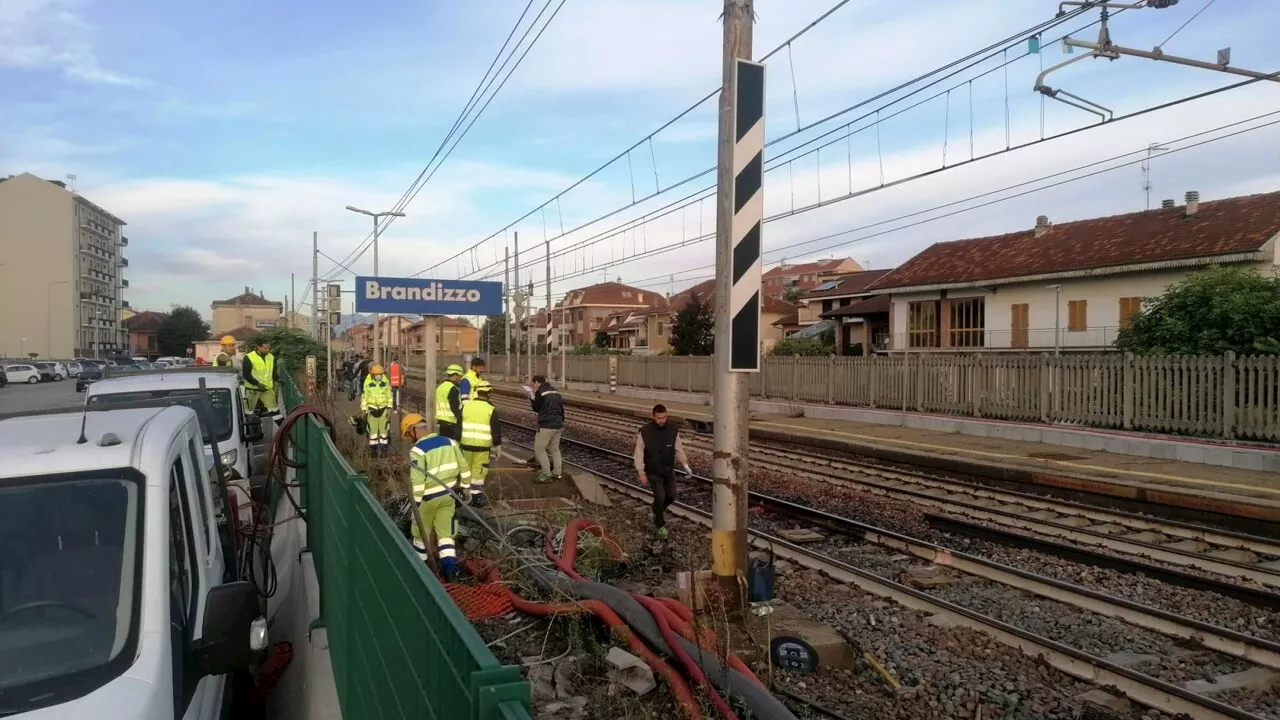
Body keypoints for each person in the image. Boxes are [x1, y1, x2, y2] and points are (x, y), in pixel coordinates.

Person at [401, 413, 471, 580]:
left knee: (420, 534)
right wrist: (466, 489)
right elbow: (464, 466)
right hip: (448, 496)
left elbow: (418, 483)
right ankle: (451, 572)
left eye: (408, 435)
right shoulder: (450, 442)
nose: (410, 439)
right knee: (445, 534)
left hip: (427, 500)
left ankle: (421, 571)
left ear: (413, 430)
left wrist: (415, 505)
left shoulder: (417, 451)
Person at [633, 404, 692, 539]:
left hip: (668, 470)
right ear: (653, 417)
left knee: (671, 496)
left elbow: (679, 449)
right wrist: (641, 472)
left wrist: (685, 464)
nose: (662, 420)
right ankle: (660, 524)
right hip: (653, 472)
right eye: (659, 418)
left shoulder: (673, 430)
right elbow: (638, 453)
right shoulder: (645, 432)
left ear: (667, 416)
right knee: (660, 497)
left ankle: (657, 510)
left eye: (664, 417)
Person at [459, 380, 502, 507]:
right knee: (478, 473)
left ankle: (464, 496)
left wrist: (456, 441)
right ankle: (476, 499)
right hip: (482, 448)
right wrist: (498, 446)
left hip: (465, 445)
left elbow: (458, 425)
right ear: (489, 393)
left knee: (465, 471)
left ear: (477, 392)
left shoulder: (466, 406)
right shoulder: (490, 409)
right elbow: (496, 430)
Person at [530, 374, 564, 483]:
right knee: (554, 448)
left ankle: (546, 473)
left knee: (539, 449)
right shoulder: (555, 391)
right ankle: (557, 473)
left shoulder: (540, 392)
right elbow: (561, 408)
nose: (533, 386)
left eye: (533, 384)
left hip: (546, 424)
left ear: (536, 382)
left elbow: (536, 408)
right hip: (558, 424)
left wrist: (532, 398)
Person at [241, 340, 280, 419]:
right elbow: (246, 374)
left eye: (269, 348)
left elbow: (273, 371)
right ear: (259, 347)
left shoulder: (271, 357)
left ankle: (285, 430)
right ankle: (249, 429)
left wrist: (278, 379)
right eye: (265, 348)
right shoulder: (249, 357)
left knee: (275, 411)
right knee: (248, 412)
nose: (268, 350)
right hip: (253, 389)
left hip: (266, 389)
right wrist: (257, 384)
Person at [361, 364, 394, 455]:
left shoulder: (385, 385)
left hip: (383, 410)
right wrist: (364, 410)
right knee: (373, 433)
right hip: (372, 410)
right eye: (377, 374)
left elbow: (390, 397)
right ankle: (373, 451)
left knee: (384, 433)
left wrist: (389, 409)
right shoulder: (368, 386)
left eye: (380, 374)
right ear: (373, 375)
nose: (379, 376)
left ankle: (384, 451)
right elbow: (364, 398)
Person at [435, 364, 465, 441]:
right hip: (451, 422)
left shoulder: (440, 387)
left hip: (441, 421)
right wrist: (461, 419)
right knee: (452, 446)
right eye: (460, 376)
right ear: (455, 375)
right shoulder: (453, 388)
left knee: (444, 444)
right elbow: (454, 407)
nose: (460, 379)